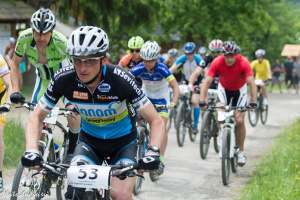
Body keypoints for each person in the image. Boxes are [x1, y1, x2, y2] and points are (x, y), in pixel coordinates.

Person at [19, 26, 164, 200]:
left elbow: (156, 120)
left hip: (123, 144)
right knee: (75, 192)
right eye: (77, 60)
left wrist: (153, 152)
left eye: (90, 61)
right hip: (90, 143)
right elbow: (36, 116)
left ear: (103, 59)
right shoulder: (63, 79)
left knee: (120, 194)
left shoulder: (121, 79)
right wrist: (32, 150)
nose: (82, 68)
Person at [9, 8, 80, 159]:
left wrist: (79, 94)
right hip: (43, 80)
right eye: (37, 33)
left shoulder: (62, 42)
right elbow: (15, 64)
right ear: (32, 30)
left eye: (45, 33)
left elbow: (78, 68)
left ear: (52, 32)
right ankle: (48, 151)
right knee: (36, 119)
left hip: (65, 80)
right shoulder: (24, 38)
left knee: (74, 115)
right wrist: (15, 90)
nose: (40, 37)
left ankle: (72, 150)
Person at [199, 41, 257, 166]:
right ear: (223, 54)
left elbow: (251, 83)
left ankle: (240, 152)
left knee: (240, 120)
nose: (230, 58)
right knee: (220, 114)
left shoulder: (243, 62)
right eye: (227, 55)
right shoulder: (217, 62)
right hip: (223, 89)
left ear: (236, 54)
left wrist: (253, 101)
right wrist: (202, 100)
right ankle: (222, 135)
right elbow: (207, 82)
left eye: (232, 55)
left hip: (240, 90)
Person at [130, 41, 180, 178]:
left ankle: (160, 159)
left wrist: (173, 103)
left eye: (151, 61)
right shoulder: (139, 68)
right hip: (146, 97)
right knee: (137, 122)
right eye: (145, 60)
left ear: (156, 59)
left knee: (161, 126)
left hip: (162, 99)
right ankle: (140, 147)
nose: (147, 64)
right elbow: (125, 81)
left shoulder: (163, 69)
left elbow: (175, 87)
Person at [170, 42, 205, 134]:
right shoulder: (182, 58)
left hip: (197, 82)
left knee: (194, 101)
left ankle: (195, 125)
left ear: (194, 52)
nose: (189, 55)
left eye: (191, 53)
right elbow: (172, 69)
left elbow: (203, 71)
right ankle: (181, 110)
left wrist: (203, 83)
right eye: (186, 53)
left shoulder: (198, 59)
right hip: (185, 81)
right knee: (179, 94)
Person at [0, 55, 12, 192]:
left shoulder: (0, 60)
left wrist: (8, 104)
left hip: (1, 97)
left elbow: (9, 85)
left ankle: (0, 176)